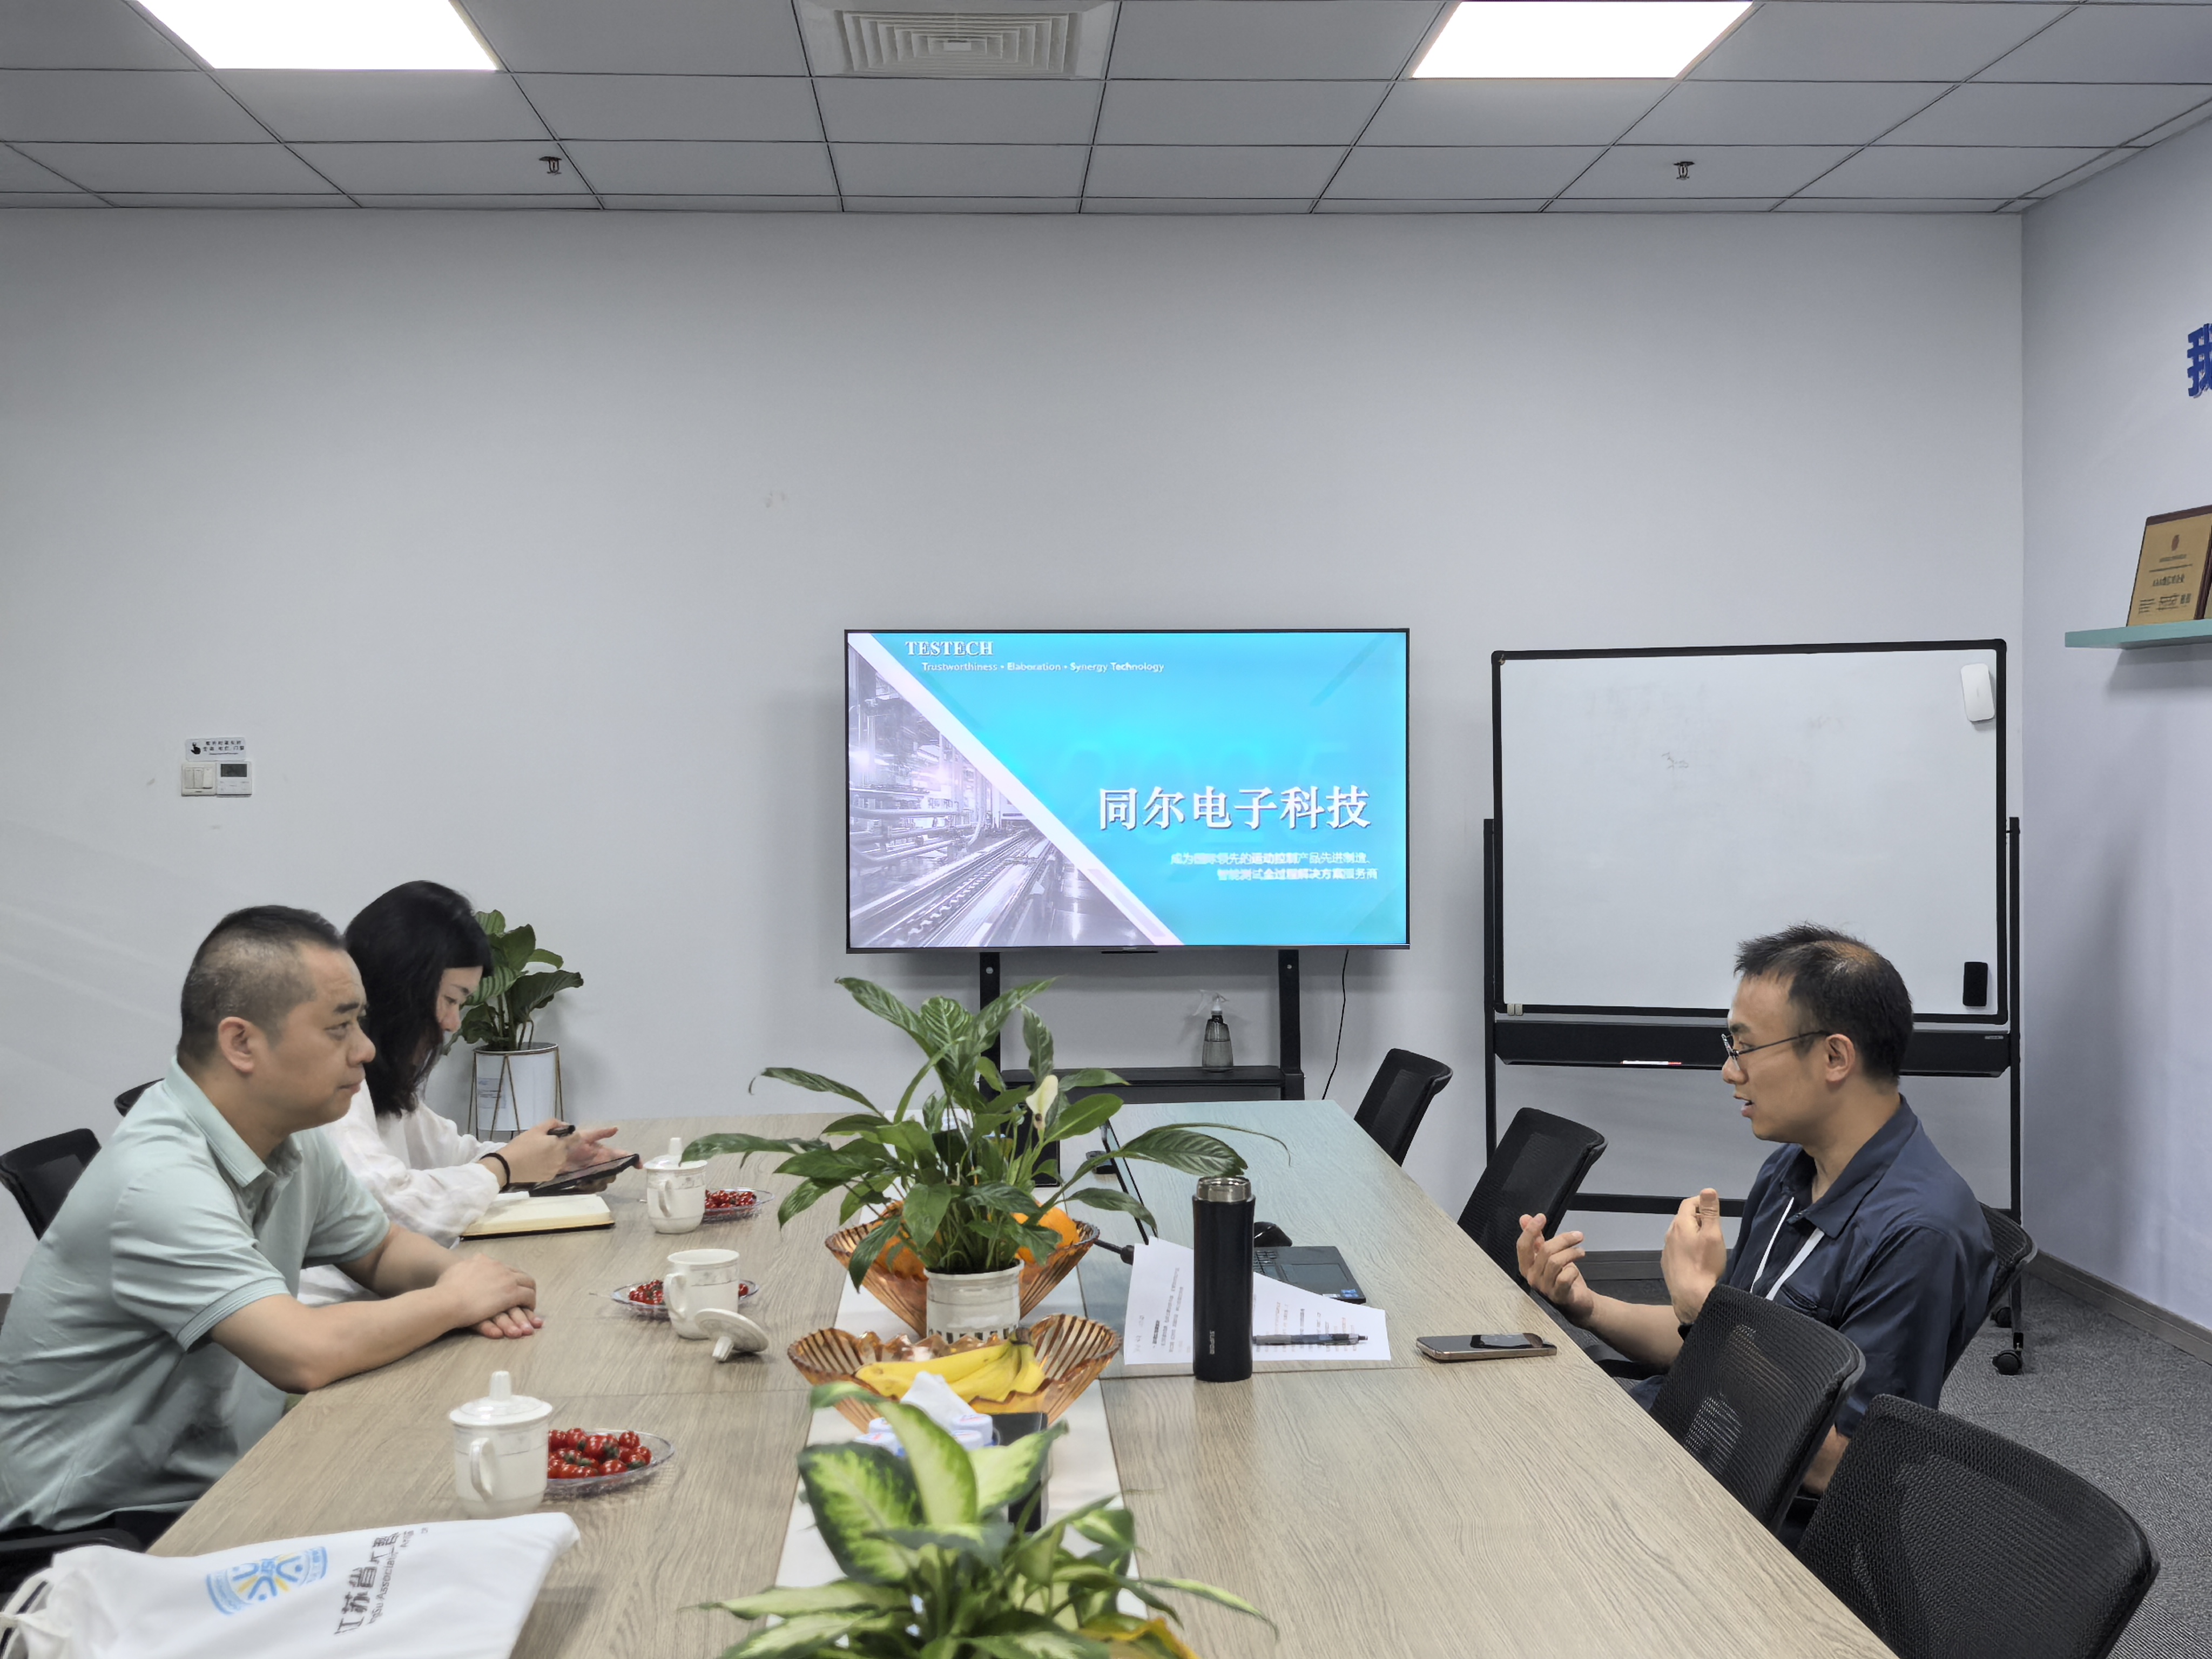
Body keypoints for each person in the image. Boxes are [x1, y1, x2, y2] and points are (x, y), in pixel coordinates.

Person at [0, 907, 543, 1541]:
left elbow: (379, 1250)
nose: (366, 1049)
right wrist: (454, 1300)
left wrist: (469, 1284)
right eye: (339, 1027)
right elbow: (302, 1354)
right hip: (100, 1530)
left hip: (220, 1476)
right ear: (241, 1044)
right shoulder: (158, 1180)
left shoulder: (291, 1134)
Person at [1516, 923, 1995, 1499]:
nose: (1730, 1070)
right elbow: (1711, 1347)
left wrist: (1701, 1308)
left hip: (1743, 1513)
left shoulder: (1919, 1235)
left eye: (1745, 1047)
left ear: (1835, 1056)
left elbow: (1848, 1469)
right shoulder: (1792, 1169)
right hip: (1678, 1441)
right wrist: (1587, 1305)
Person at [299, 881, 624, 1306]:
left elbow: (453, 1155)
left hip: (385, 1300)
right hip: (336, 1310)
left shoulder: (379, 1080)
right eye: (450, 1000)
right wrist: (505, 1167)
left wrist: (553, 1162)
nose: (453, 1023)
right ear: (401, 988)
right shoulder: (332, 1084)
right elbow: (386, 1210)